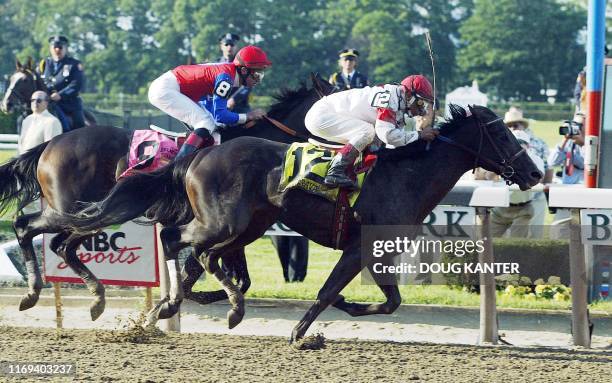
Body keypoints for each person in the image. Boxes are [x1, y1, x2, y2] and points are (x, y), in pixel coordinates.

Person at [305, 74, 439, 188]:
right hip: (321, 115)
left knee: (374, 141)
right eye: (421, 102)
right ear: (409, 94)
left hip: (326, 115)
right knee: (368, 132)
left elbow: (395, 145)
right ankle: (335, 171)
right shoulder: (390, 97)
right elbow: (387, 135)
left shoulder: (399, 103)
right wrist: (420, 135)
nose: (422, 109)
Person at [147, 45, 270, 159]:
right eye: (257, 74)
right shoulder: (226, 79)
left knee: (213, 126)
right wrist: (247, 116)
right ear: (243, 70)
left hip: (172, 86)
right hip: (166, 89)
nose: (258, 79)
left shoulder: (228, 73)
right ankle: (176, 168)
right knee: (206, 123)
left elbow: (209, 103)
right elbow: (220, 115)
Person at [503, 107, 552, 238]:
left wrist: (545, 188)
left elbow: (548, 167)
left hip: (534, 195)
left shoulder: (538, 143)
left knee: (535, 234)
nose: (512, 127)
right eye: (509, 125)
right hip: (507, 196)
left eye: (515, 124)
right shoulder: (502, 143)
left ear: (522, 125)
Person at [490, 130, 545, 238]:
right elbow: (490, 177)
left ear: (528, 145)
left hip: (524, 209)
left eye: (521, 142)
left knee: (517, 243)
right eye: (516, 143)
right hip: (501, 207)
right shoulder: (502, 159)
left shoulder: (535, 159)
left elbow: (539, 179)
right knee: (486, 239)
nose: (519, 146)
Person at [18, 90, 62, 214]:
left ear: (46, 103)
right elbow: (21, 144)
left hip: (39, 170)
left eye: (39, 100)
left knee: (41, 208)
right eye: (32, 100)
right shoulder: (27, 120)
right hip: (24, 169)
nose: (35, 103)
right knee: (26, 205)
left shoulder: (52, 122)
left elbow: (51, 150)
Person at [548, 113, 585, 238]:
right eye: (573, 124)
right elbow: (552, 162)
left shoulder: (596, 142)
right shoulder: (569, 143)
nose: (576, 128)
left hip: (584, 202)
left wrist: (583, 144)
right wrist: (564, 141)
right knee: (558, 236)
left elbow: (590, 164)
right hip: (566, 201)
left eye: (579, 125)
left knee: (583, 241)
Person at [38, 35, 85, 132]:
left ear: (65, 48)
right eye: (54, 47)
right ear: (50, 48)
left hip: (69, 104)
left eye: (60, 47)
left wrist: (61, 95)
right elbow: (37, 82)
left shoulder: (74, 64)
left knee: (79, 125)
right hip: (46, 103)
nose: (57, 49)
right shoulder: (43, 64)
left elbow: (76, 84)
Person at [216, 33, 251, 114]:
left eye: (232, 45)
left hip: (240, 108)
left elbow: (247, 86)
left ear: (236, 47)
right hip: (218, 108)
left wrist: (233, 99)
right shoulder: (215, 64)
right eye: (226, 44)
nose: (229, 47)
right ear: (221, 46)